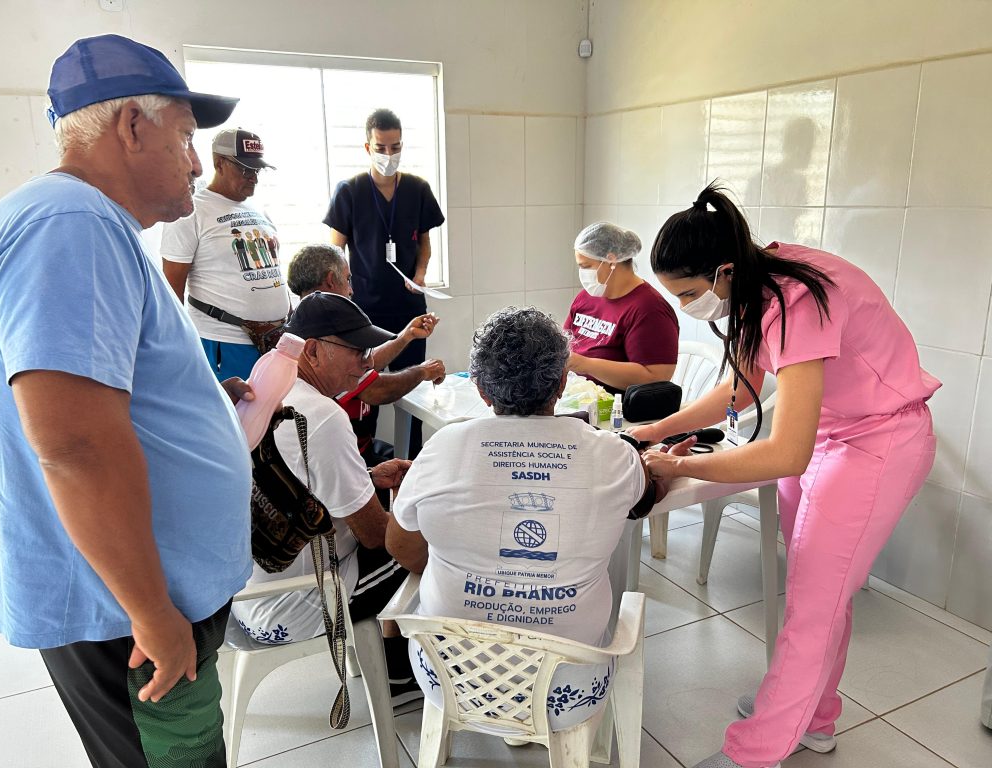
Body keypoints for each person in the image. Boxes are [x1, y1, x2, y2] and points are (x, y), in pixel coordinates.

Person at [0, 34, 252, 767]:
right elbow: (75, 447)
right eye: (187, 138)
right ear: (132, 126)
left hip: (128, 604)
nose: (195, 161)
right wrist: (154, 615)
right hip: (125, 617)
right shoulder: (71, 224)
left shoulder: (79, 223)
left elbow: (101, 398)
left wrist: (196, 405)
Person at [629, 183, 941, 768]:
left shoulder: (796, 296)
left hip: (879, 441)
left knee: (813, 606)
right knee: (820, 592)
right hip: (831, 433)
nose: (689, 307)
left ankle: (755, 751)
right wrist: (652, 431)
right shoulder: (752, 281)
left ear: (722, 270)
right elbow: (739, 390)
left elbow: (784, 454)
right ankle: (813, 716)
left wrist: (680, 465)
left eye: (691, 294)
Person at [386, 307, 682, 731]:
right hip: (572, 692)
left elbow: (400, 545)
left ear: (483, 392)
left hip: (450, 681)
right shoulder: (613, 454)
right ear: (562, 383)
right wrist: (660, 467)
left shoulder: (442, 447)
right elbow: (647, 495)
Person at [230, 291, 422, 703]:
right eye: (357, 350)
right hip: (295, 606)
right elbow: (375, 536)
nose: (367, 361)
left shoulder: (267, 386)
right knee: (423, 548)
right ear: (313, 351)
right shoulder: (323, 418)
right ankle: (398, 669)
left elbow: (294, 485)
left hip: (245, 596)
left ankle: (388, 657)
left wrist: (367, 477)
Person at [325, 108, 445, 455]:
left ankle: (414, 463)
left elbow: (424, 242)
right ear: (367, 147)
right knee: (367, 394)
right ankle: (365, 466)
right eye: (381, 147)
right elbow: (336, 251)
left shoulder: (418, 189)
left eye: (395, 147)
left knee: (416, 389)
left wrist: (420, 275)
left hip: (408, 308)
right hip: (364, 314)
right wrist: (342, 293)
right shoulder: (350, 191)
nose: (388, 155)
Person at [287, 243, 446, 466]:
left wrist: (405, 336)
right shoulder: (327, 330)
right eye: (348, 279)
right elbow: (374, 389)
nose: (351, 290)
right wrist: (423, 371)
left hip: (358, 447)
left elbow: (363, 368)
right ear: (332, 279)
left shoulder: (300, 323)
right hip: (344, 457)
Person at [161, 128, 289, 381]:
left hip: (274, 340)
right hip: (223, 342)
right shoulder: (191, 210)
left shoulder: (259, 210)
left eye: (257, 170)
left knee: (272, 418)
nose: (253, 177)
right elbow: (171, 288)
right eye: (245, 169)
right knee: (235, 416)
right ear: (219, 163)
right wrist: (176, 350)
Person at [565, 222, 679, 392]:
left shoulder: (650, 310)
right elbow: (563, 342)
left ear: (611, 260)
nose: (581, 272)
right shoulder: (587, 297)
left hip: (619, 411)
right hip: (576, 398)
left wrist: (585, 365)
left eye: (586, 266)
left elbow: (655, 378)